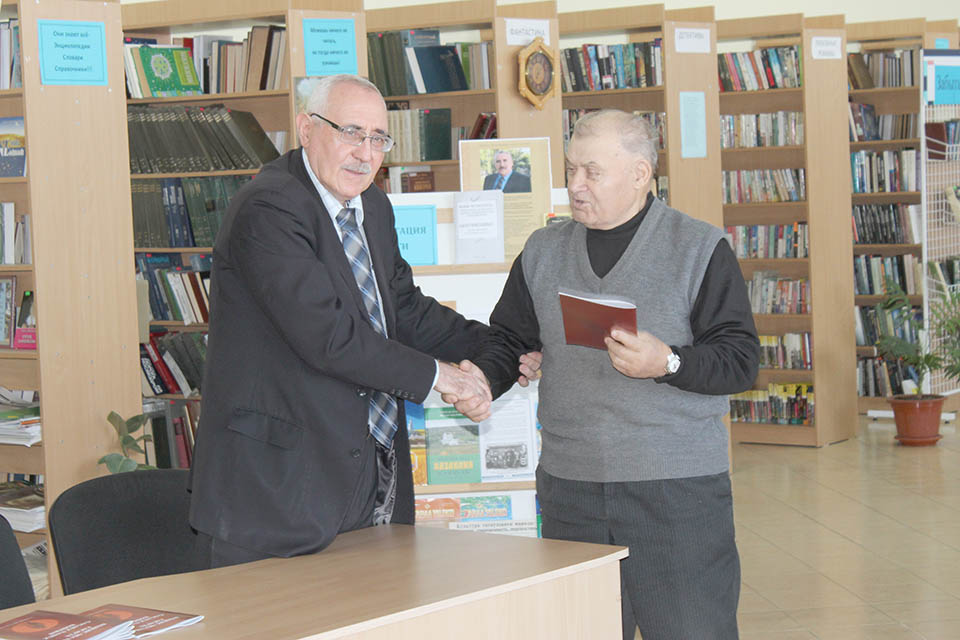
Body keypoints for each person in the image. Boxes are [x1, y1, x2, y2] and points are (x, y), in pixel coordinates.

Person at [188, 74, 537, 568]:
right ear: (306, 129)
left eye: (378, 139)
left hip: (367, 474)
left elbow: (404, 309)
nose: (365, 153)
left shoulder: (371, 204)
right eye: (351, 132)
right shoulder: (268, 208)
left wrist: (500, 348)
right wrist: (445, 378)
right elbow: (331, 338)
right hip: (274, 494)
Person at [464, 109, 760, 640]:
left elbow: (740, 360)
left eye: (592, 172)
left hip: (676, 491)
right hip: (571, 488)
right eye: (571, 169)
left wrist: (667, 362)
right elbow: (510, 339)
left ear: (641, 174)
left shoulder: (699, 248)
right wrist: (485, 379)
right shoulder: (542, 250)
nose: (575, 185)